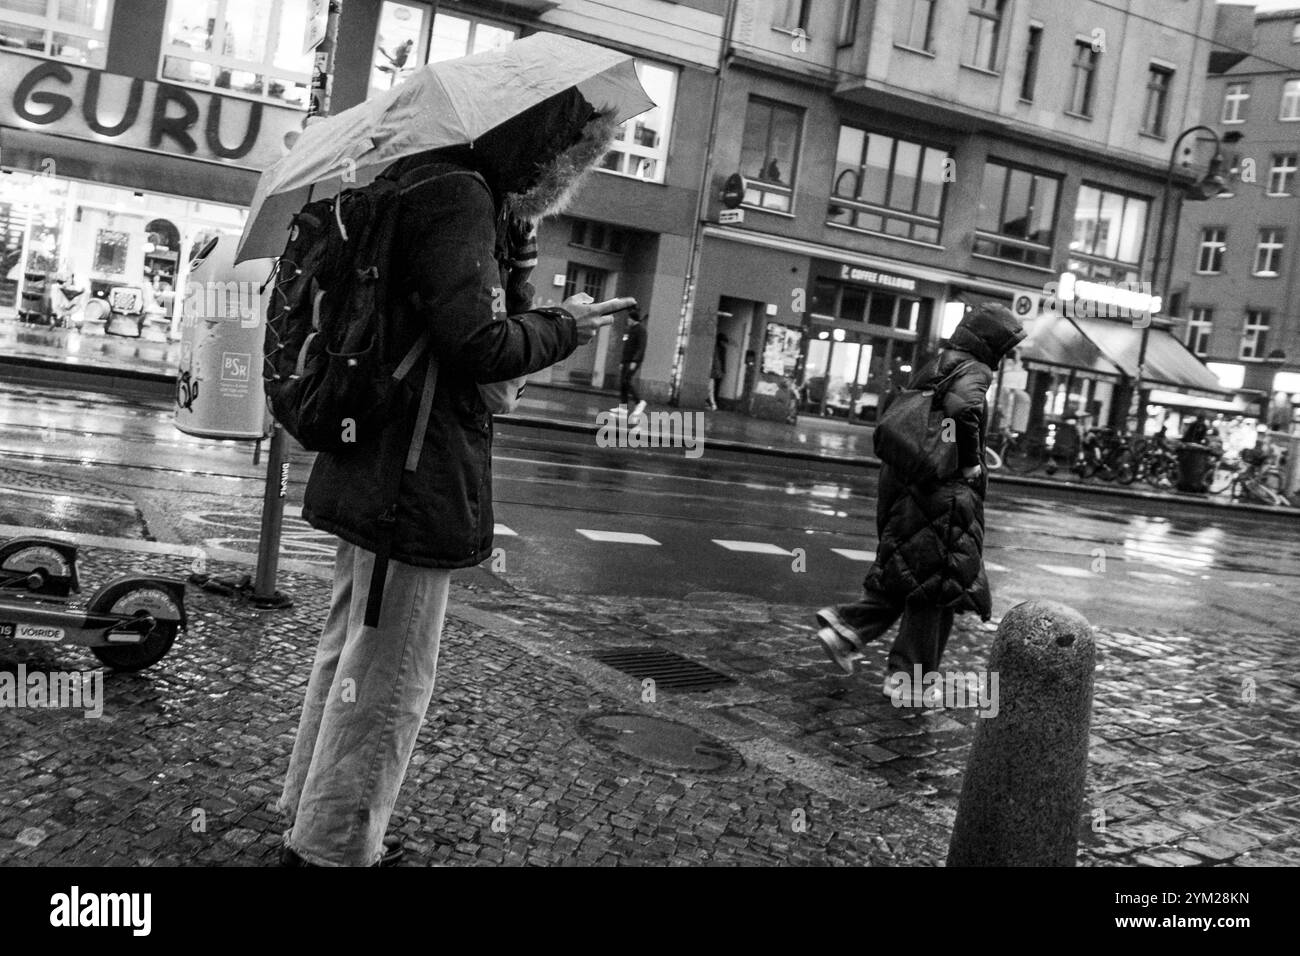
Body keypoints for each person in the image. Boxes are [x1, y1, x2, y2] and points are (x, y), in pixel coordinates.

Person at [277, 87, 633, 867]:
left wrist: (517, 268)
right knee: (390, 678)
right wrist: (566, 324)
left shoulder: (414, 178)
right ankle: (335, 845)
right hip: (413, 473)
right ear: (539, 148)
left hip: (366, 456)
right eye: (569, 155)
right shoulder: (459, 196)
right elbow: (482, 350)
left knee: (350, 657)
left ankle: (310, 812)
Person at [813, 302, 1025, 703]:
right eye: (1006, 345)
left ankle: (847, 629)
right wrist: (968, 465)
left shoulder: (942, 361)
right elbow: (964, 410)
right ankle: (905, 678)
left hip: (911, 480)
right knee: (940, 585)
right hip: (943, 489)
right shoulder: (975, 369)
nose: (1006, 354)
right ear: (993, 342)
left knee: (912, 571)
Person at [614, 307, 647, 422]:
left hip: (633, 361)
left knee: (627, 381)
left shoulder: (641, 330)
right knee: (623, 383)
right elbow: (626, 347)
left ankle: (639, 402)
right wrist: (622, 362)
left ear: (633, 319)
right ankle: (623, 409)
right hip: (627, 360)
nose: (627, 320)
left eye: (629, 318)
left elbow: (641, 347)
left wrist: (635, 361)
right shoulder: (630, 330)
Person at [708, 333, 727, 410]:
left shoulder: (722, 349)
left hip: (718, 370)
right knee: (713, 387)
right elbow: (719, 360)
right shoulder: (717, 348)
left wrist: (723, 369)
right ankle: (713, 402)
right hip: (716, 370)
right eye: (723, 341)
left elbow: (723, 360)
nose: (723, 343)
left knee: (715, 387)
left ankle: (714, 402)